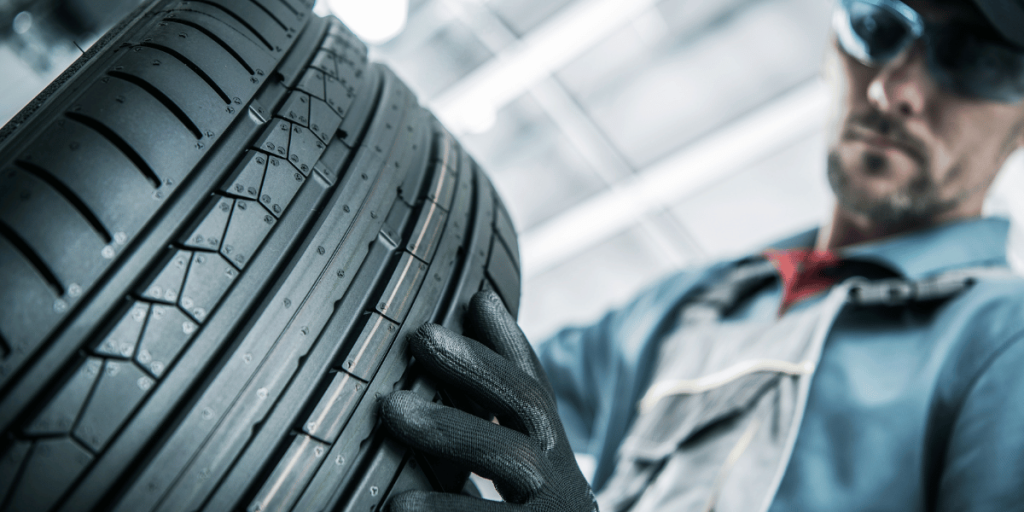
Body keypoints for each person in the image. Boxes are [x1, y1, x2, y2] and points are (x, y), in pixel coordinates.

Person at [379, 0, 1024, 510]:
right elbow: (466, 365)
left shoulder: (1005, 344)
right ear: (832, 44)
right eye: (876, 26)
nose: (892, 92)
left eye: (973, 58)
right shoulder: (690, 302)